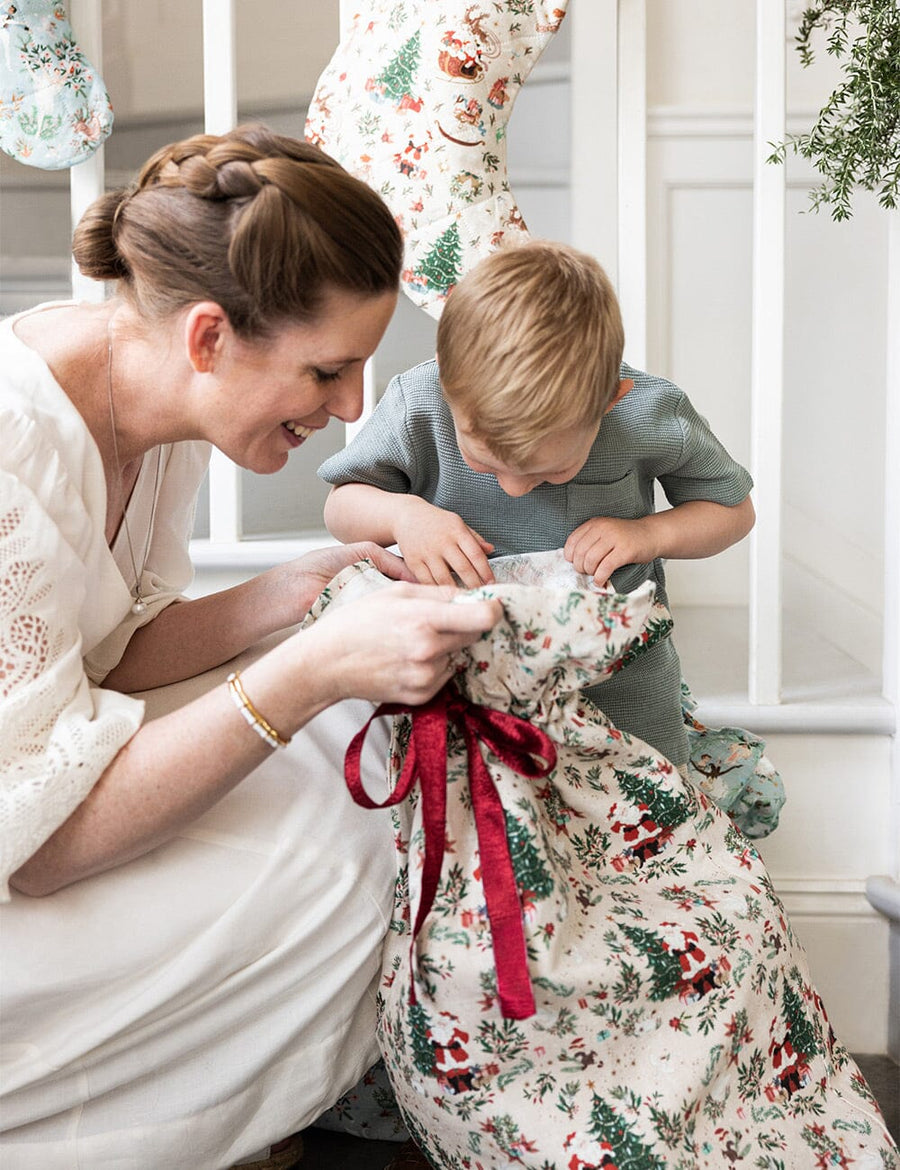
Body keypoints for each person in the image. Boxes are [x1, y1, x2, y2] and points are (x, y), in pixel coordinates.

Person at [0, 124, 502, 1169]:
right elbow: (38, 846)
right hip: (21, 852)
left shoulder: (145, 400)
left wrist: (290, 595)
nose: (354, 405)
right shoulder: (18, 451)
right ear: (208, 338)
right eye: (329, 369)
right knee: (336, 858)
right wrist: (307, 670)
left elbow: (109, 652)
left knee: (367, 775)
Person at [318, 239, 755, 768]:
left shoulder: (649, 412)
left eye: (551, 471)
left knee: (645, 807)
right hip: (465, 688)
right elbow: (341, 507)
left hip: (622, 693)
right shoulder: (420, 402)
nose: (515, 488)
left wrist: (649, 535)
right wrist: (402, 514)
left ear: (609, 401)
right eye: (484, 463)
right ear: (447, 382)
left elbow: (734, 511)